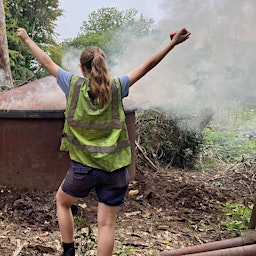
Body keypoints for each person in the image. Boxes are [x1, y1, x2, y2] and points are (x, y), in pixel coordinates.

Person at [16, 27, 191, 256]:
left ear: (82, 67)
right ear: (103, 64)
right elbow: (148, 65)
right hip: (115, 170)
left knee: (62, 202)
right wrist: (172, 44)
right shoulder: (118, 86)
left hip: (84, 169)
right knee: (106, 225)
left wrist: (26, 38)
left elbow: (46, 61)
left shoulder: (73, 85)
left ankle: (68, 251)